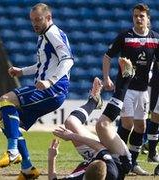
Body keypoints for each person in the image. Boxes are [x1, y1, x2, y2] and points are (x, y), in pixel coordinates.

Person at [0, 3, 74, 179]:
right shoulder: (44, 35)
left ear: (49, 18)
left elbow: (68, 60)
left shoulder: (52, 33)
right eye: (32, 20)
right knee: (8, 124)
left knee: (6, 99)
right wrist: (22, 71)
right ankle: (28, 168)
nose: (34, 24)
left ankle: (13, 150)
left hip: (53, 89)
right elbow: (43, 64)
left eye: (38, 20)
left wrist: (50, 81)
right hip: (50, 90)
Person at [49, 58, 135, 180]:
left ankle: (94, 101)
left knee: (70, 122)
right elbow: (101, 148)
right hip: (119, 160)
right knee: (102, 126)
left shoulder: (81, 177)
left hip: (99, 158)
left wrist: (51, 158)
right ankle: (127, 79)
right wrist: (70, 136)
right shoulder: (111, 173)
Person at [102, 3, 159, 175]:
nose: (138, 19)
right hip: (125, 88)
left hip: (143, 90)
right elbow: (107, 56)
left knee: (141, 127)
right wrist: (106, 78)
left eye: (141, 16)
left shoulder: (155, 39)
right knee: (127, 123)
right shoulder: (125, 37)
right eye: (135, 16)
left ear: (148, 19)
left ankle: (132, 163)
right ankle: (119, 158)